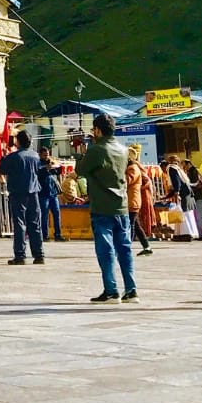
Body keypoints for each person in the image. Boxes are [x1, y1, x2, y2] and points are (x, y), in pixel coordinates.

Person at [75, 114, 137, 303]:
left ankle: (111, 290)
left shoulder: (97, 150)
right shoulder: (123, 150)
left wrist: (81, 153)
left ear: (98, 130)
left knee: (106, 250)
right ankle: (131, 290)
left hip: (102, 206)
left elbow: (80, 171)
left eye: (94, 130)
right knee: (125, 248)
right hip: (122, 205)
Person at [0, 131, 45, 265]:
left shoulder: (14, 156)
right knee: (35, 224)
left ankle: (20, 255)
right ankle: (39, 255)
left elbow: (2, 169)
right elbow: (39, 170)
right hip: (34, 192)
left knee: (20, 224)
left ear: (18, 141)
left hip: (18, 193)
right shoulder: (35, 156)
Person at [125, 146, 153, 256]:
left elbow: (126, 181)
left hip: (132, 200)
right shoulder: (131, 168)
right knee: (135, 225)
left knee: (130, 225)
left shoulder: (133, 168)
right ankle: (147, 246)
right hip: (131, 200)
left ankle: (127, 247)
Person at [37, 147, 64, 242]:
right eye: (44, 155)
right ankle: (45, 235)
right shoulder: (38, 164)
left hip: (53, 193)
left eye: (47, 154)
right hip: (43, 193)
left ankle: (58, 234)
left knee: (56, 214)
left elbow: (59, 171)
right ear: (40, 155)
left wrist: (55, 166)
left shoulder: (52, 162)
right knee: (44, 215)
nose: (46, 156)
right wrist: (46, 169)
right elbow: (38, 174)